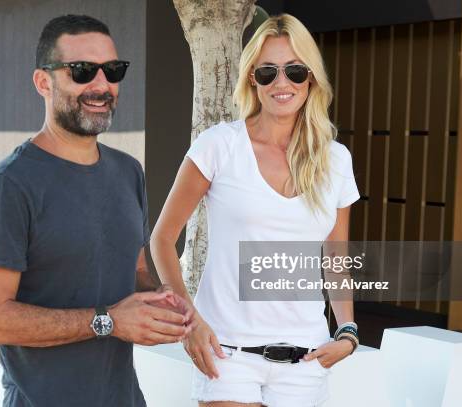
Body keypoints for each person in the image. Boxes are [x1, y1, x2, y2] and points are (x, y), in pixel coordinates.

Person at [0, 14, 192, 407]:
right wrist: (109, 321)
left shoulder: (128, 172)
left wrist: (160, 300)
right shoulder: (10, 185)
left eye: (113, 70)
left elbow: (135, 270)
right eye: (83, 71)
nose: (101, 85)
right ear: (43, 82)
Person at [150, 14, 360, 407]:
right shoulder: (219, 146)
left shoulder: (335, 160)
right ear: (252, 79)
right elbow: (162, 239)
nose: (283, 83)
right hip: (227, 354)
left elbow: (336, 258)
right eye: (268, 72)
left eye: (295, 71)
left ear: (311, 78)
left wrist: (347, 332)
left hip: (306, 357)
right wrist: (189, 322)